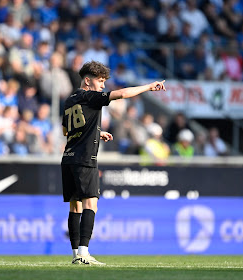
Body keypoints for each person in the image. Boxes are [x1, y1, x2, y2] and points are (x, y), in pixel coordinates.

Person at [61, 60, 166, 265]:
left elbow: (67, 130)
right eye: (100, 82)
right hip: (85, 158)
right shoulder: (90, 96)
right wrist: (149, 86)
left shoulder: (70, 99)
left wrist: (96, 132)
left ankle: (76, 254)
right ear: (88, 81)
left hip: (68, 158)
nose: (102, 86)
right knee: (91, 203)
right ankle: (84, 252)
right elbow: (122, 94)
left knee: (75, 206)